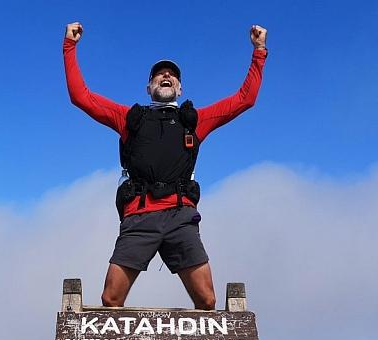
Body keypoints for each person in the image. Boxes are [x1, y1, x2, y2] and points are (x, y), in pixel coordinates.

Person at [63, 22, 267, 310]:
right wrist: (69, 46)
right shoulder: (129, 119)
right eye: (159, 74)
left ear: (180, 88)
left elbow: (245, 99)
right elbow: (80, 96)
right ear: (149, 87)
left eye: (171, 74)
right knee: (110, 299)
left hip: (180, 217)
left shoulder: (194, 120)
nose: (166, 75)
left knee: (207, 300)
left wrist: (259, 51)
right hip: (139, 216)